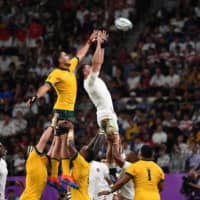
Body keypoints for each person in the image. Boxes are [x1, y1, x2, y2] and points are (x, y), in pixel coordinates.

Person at [26, 30, 98, 187]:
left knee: (58, 145)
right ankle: (64, 175)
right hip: (61, 110)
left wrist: (89, 41)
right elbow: (46, 86)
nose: (68, 57)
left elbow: (80, 54)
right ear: (59, 60)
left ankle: (53, 176)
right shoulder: (56, 73)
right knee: (63, 143)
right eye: (65, 55)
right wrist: (36, 97)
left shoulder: (71, 67)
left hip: (67, 111)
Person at [82, 30, 120, 168]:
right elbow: (97, 63)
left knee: (111, 142)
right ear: (85, 74)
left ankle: (110, 166)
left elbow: (98, 63)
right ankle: (114, 166)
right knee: (116, 141)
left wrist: (102, 45)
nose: (89, 68)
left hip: (107, 114)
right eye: (86, 68)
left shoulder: (95, 79)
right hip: (106, 115)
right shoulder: (89, 82)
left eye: (89, 67)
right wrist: (99, 44)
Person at [98, 145, 165, 200]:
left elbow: (122, 182)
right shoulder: (159, 169)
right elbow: (161, 188)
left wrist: (109, 191)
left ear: (140, 154)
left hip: (140, 197)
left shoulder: (134, 166)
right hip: (155, 197)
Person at [19, 118, 60, 200]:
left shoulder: (40, 161)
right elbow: (43, 141)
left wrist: (57, 135)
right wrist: (52, 126)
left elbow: (52, 150)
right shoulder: (32, 158)